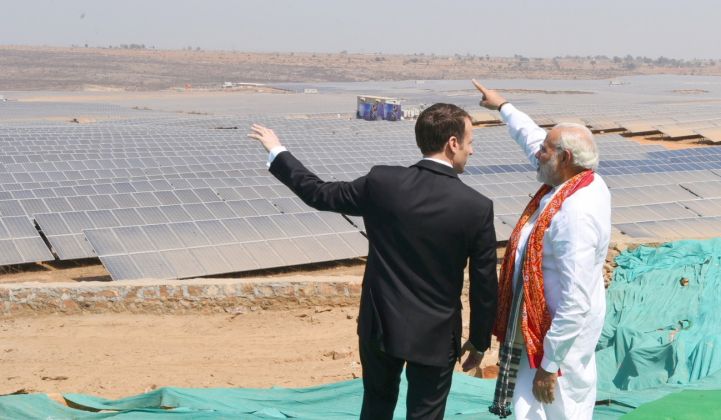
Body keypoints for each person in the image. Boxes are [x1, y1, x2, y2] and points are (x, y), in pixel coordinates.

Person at [248, 103, 498, 420]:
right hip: (436, 335)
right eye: (471, 142)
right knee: (426, 414)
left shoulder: (383, 183)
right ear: (452, 143)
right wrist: (478, 340)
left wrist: (278, 151)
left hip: (381, 326)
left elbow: (318, 193)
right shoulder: (476, 207)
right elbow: (485, 284)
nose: (472, 151)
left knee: (376, 407)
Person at [472, 80, 610, 420]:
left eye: (545, 151)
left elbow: (575, 299)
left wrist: (550, 365)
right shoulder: (573, 181)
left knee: (556, 410)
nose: (537, 152)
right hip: (538, 334)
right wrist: (503, 106)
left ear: (564, 158)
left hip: (557, 344)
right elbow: (533, 138)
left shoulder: (575, 212)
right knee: (531, 409)